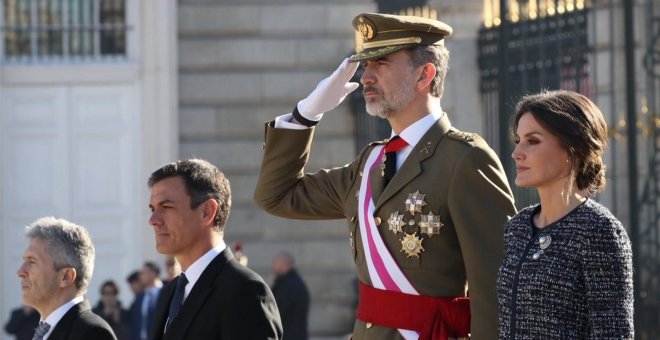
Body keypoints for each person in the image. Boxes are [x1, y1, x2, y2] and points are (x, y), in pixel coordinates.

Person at [254, 12, 517, 339]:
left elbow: (496, 285)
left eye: (381, 63)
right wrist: (306, 114)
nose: (366, 77)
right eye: (366, 65)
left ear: (424, 75)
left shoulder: (465, 160)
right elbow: (276, 195)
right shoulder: (370, 163)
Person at [497, 90, 634, 338]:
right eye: (518, 140)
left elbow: (614, 333)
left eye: (533, 141)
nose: (517, 153)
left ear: (572, 150)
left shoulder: (599, 230)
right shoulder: (517, 227)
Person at [147, 159, 282, 339]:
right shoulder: (172, 291)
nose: (153, 220)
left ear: (207, 212)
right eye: (153, 208)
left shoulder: (244, 291)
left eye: (166, 207)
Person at [16, 216, 116, 340]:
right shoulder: (44, 330)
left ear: (66, 277)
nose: (20, 272)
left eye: (32, 261)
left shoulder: (92, 334)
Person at [271, 252, 310, 340]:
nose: (274, 267)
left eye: (276, 263)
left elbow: (277, 310)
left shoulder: (289, 285)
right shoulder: (291, 282)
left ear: (285, 265)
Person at [129, 262, 163, 340]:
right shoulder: (140, 296)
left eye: (144, 273)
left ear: (153, 274)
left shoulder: (165, 292)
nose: (140, 276)